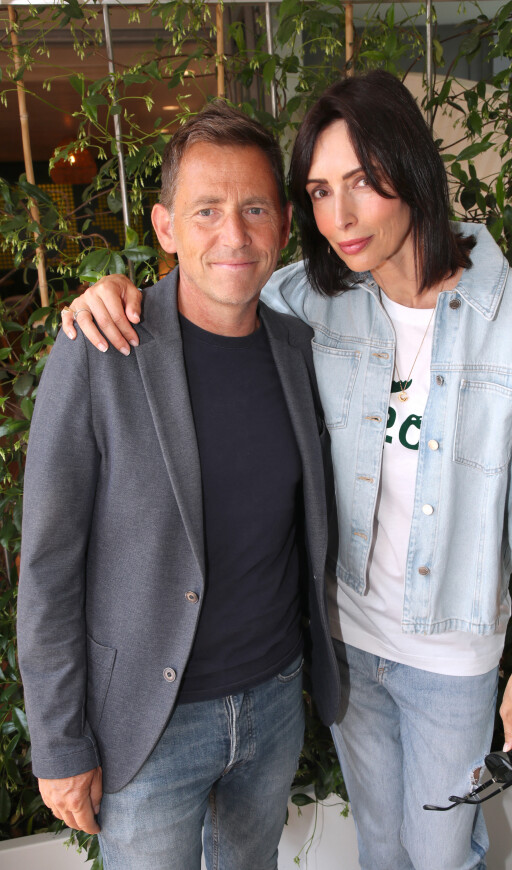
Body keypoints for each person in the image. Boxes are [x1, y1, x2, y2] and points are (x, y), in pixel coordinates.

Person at [61, 71, 512, 870]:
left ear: (411, 171)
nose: (342, 217)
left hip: (454, 653)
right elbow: (216, 275)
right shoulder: (315, 301)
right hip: (350, 646)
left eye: (365, 185)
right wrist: (112, 293)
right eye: (321, 190)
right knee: (381, 847)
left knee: (442, 855)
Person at [17, 103, 340, 870]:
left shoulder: (296, 348)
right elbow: (49, 563)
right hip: (148, 725)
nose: (234, 235)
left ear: (284, 222)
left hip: (271, 704)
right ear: (165, 227)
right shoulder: (101, 348)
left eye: (255, 208)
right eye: (206, 211)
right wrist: (60, 741)